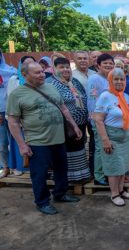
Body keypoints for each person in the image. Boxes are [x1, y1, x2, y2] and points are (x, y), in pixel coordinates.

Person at [7, 61, 82, 214]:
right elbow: (13, 122)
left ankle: (60, 194)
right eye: (37, 73)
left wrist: (74, 125)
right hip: (37, 141)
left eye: (42, 71)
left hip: (59, 138)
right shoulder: (17, 94)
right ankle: (42, 202)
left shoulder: (51, 87)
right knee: (39, 173)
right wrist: (22, 145)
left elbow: (63, 108)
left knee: (61, 169)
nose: (42, 74)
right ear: (25, 74)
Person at [93, 68, 129, 207]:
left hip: (125, 134)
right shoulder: (105, 96)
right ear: (110, 81)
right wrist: (105, 140)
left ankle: (121, 191)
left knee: (123, 165)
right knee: (113, 167)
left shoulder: (125, 96)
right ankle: (114, 194)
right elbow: (98, 120)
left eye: (122, 79)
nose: (119, 82)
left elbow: (128, 117)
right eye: (116, 79)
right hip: (111, 136)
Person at [47, 57, 90, 182]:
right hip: (63, 124)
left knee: (79, 148)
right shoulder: (50, 83)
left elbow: (84, 96)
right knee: (67, 151)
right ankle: (68, 178)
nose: (65, 69)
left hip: (80, 122)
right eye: (61, 67)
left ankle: (80, 175)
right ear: (54, 69)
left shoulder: (74, 81)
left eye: (67, 67)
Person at [87, 53, 115, 186]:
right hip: (99, 121)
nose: (108, 65)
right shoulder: (94, 79)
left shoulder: (111, 78)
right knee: (100, 148)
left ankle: (106, 172)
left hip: (110, 120)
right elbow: (92, 101)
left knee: (107, 148)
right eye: (105, 63)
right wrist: (96, 120)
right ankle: (98, 176)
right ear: (98, 65)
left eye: (110, 63)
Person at [7, 55, 36, 175]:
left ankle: (35, 167)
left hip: (34, 118)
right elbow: (10, 97)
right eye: (26, 64)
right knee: (20, 142)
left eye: (32, 63)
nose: (29, 66)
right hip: (19, 116)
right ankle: (20, 167)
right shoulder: (14, 80)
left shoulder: (38, 79)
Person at [0, 51, 17, 177]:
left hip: (13, 110)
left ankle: (17, 165)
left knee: (16, 139)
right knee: (2, 142)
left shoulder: (11, 71)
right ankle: (5, 167)